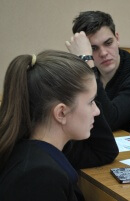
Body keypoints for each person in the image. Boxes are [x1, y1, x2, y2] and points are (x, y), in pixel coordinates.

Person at [0, 50, 114, 200]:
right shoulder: (40, 177)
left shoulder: (33, 152)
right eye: (90, 102)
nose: (97, 111)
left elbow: (105, 151)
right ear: (61, 113)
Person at [65, 10, 130, 132]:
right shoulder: (91, 70)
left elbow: (110, 120)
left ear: (117, 38)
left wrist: (86, 60)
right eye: (93, 48)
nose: (103, 53)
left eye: (108, 43)